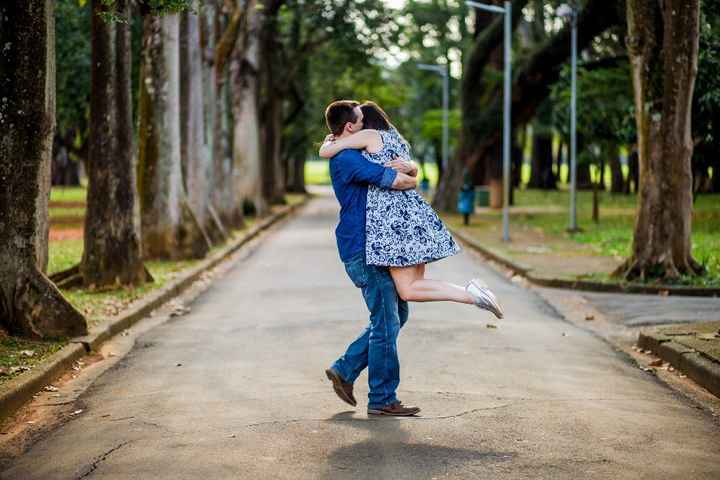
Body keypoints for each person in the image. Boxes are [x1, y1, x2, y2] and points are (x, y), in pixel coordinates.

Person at [319, 101, 503, 316]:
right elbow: (410, 170)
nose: (356, 126)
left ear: (365, 123)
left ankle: (471, 294)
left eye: (359, 120)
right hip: (414, 215)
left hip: (394, 220)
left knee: (408, 290)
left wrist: (327, 143)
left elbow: (331, 150)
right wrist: (413, 169)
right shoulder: (395, 138)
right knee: (414, 285)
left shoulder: (368, 135)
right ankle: (472, 293)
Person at [323, 100, 422, 416]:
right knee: (386, 321)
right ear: (351, 127)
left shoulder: (348, 149)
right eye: (361, 121)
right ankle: (382, 399)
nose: (367, 125)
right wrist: (409, 174)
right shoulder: (349, 158)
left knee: (397, 315)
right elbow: (396, 181)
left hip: (375, 246)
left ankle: (345, 368)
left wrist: (410, 168)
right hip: (363, 249)